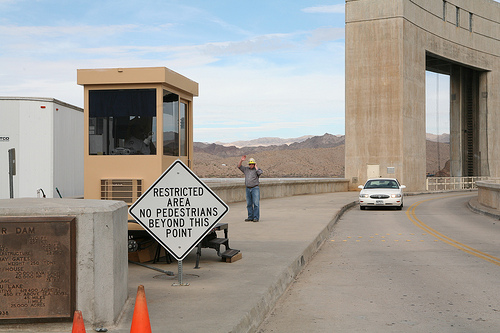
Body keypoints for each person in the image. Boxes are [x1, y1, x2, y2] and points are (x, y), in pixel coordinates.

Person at [238, 155, 263, 222]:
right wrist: (241, 160)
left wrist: (256, 167)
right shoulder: (246, 169)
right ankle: (250, 217)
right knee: (249, 203)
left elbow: (260, 173)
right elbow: (239, 166)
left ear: (254, 164)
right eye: (250, 164)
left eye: (252, 164)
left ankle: (256, 217)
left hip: (255, 188)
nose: (251, 165)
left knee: (256, 203)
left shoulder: (257, 170)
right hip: (248, 188)